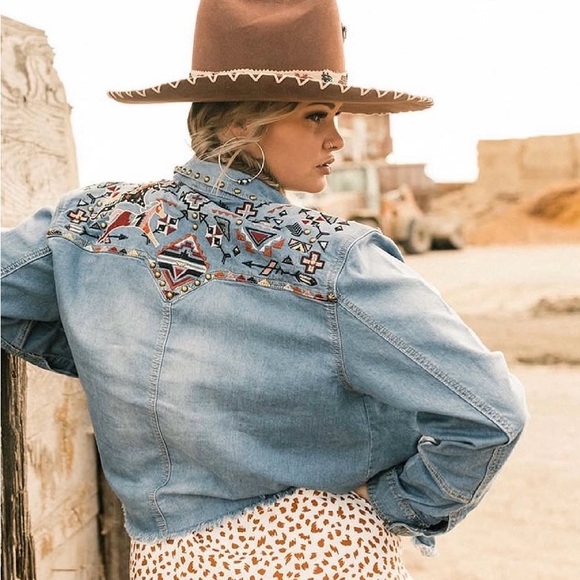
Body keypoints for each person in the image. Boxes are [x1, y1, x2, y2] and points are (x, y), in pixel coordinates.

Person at [1, 1, 527, 578]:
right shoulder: (333, 261)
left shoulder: (89, 221)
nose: (337, 139)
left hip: (166, 563)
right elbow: (492, 412)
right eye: (316, 116)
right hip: (317, 551)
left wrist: (104, 351)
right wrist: (394, 507)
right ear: (240, 125)